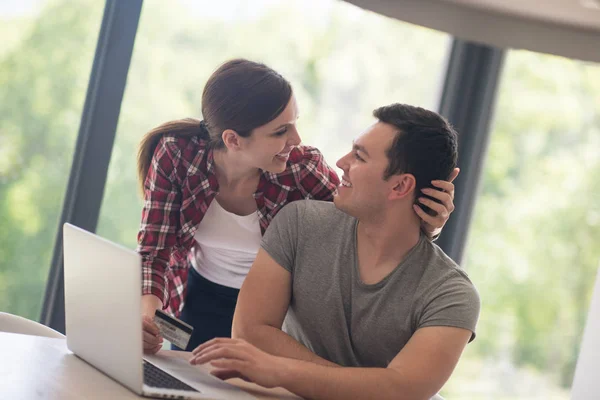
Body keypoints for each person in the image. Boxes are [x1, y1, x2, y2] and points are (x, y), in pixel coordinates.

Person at [138, 59, 458, 353]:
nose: (297, 139)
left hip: (269, 314)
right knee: (182, 382)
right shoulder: (176, 154)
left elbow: (365, 226)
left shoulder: (300, 170)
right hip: (195, 297)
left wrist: (426, 224)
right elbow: (155, 250)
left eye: (294, 123)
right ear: (234, 140)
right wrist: (148, 316)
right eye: (281, 131)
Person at [188, 104, 480, 400]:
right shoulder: (300, 223)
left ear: (401, 185)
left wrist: (281, 370)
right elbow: (251, 333)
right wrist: (357, 386)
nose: (341, 162)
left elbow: (400, 390)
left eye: (360, 156)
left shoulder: (451, 294)